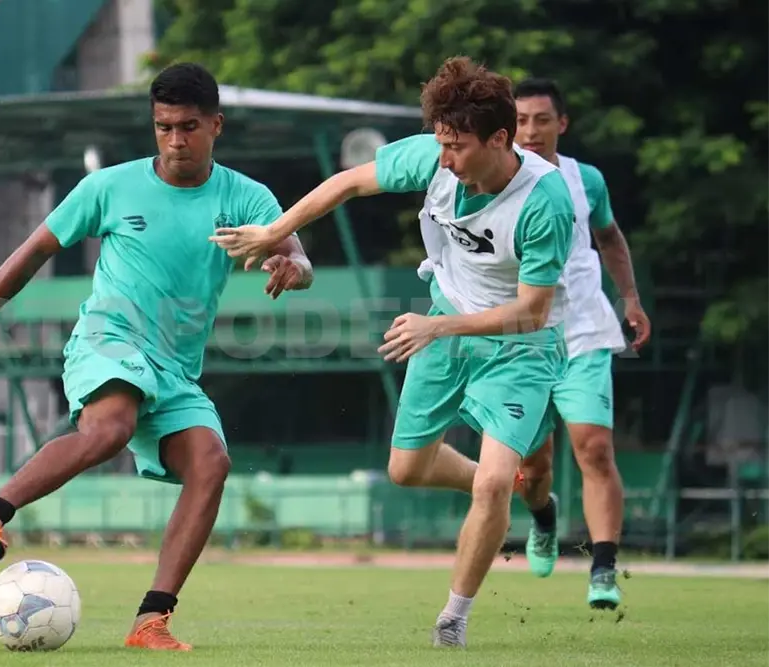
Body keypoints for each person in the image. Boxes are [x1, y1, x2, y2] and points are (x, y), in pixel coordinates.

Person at [0, 62, 313, 652]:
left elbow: (300, 259)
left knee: (211, 464)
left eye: (188, 127)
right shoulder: (109, 187)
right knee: (110, 427)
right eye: (163, 127)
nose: (175, 141)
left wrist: (291, 267)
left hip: (175, 369)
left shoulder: (247, 197)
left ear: (216, 125)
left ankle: (151, 621)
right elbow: (32, 252)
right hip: (109, 340)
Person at [211, 56, 574, 649]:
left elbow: (533, 311)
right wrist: (275, 233)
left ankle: (453, 620)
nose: (445, 158)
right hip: (446, 323)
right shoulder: (435, 157)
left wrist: (440, 327)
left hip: (520, 348)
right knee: (407, 470)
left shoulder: (545, 200)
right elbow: (348, 183)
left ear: (500, 139)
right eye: (441, 144)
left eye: (457, 147)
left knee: (489, 487)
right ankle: (504, 486)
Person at [508, 77, 651, 609]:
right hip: (523, 339)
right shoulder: (492, 180)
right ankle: (544, 516)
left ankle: (604, 568)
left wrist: (630, 299)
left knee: (593, 447)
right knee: (533, 467)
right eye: (520, 120)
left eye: (542, 119)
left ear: (561, 124)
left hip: (584, 330)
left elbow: (609, 237)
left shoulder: (586, 180)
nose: (531, 130)